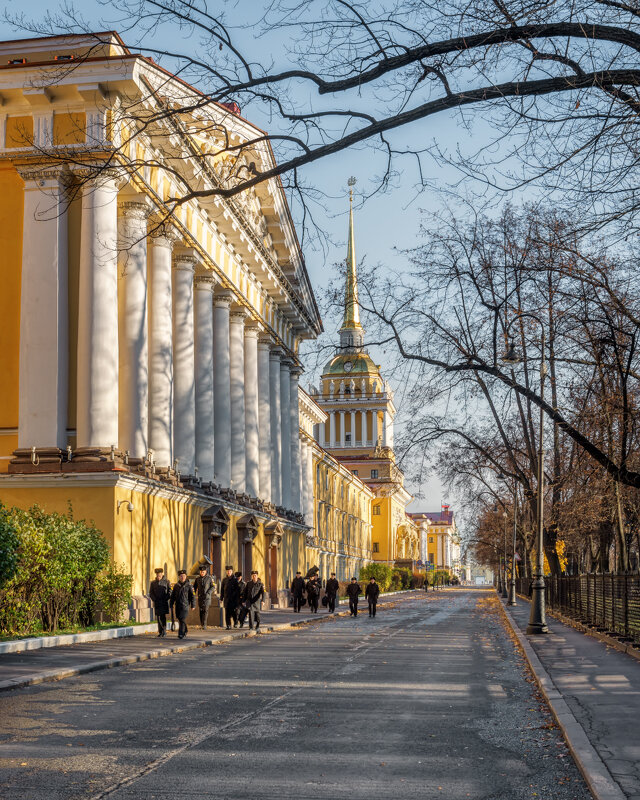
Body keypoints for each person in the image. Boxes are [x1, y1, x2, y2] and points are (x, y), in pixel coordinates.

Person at [170, 569, 195, 639]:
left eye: (184, 576)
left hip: (185, 605)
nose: (182, 577)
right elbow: (173, 596)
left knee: (183, 619)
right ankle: (185, 630)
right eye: (181, 576)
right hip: (178, 605)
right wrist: (171, 604)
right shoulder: (176, 586)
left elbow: (192, 596)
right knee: (180, 619)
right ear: (179, 577)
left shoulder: (189, 585)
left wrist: (193, 605)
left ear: (186, 576)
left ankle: (181, 633)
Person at [149, 567, 171, 637]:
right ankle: (160, 631)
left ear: (162, 575)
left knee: (163, 617)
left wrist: (166, 598)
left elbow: (170, 591)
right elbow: (151, 592)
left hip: (164, 602)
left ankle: (164, 631)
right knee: (158, 617)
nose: (158, 576)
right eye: (157, 575)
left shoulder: (167, 582)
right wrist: (154, 599)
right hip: (157, 602)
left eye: (160, 575)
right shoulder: (153, 583)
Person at [193, 564, 214, 629]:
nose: (202, 573)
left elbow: (212, 586)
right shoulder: (197, 579)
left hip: (207, 598)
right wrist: (193, 594)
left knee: (205, 610)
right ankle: (202, 624)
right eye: (201, 572)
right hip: (200, 597)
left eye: (203, 572)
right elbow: (194, 587)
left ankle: (204, 625)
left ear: (206, 572)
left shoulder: (209, 578)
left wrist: (208, 593)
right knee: (201, 611)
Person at [220, 565, 240, 630]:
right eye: (228, 571)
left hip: (233, 600)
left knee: (234, 613)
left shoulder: (235, 580)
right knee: (227, 613)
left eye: (230, 571)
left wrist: (237, 600)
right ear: (226, 572)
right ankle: (228, 625)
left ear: (232, 571)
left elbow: (237, 590)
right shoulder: (224, 580)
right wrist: (221, 598)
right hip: (226, 599)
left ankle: (235, 622)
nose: (229, 572)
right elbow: (222, 590)